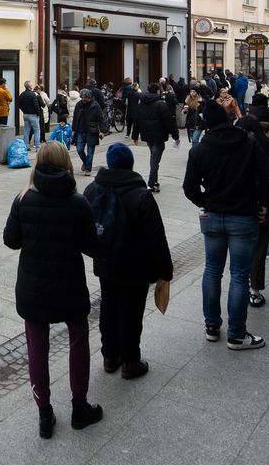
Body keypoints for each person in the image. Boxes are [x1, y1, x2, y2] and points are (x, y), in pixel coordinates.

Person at [3, 142, 103, 439]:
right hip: (69, 285)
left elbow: (11, 240)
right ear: (66, 164)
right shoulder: (78, 202)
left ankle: (44, 414)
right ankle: (79, 407)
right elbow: (92, 247)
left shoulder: (23, 199)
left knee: (37, 348)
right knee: (78, 342)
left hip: (33, 287)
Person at [183, 100, 269, 349]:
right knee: (239, 275)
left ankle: (212, 325)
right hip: (244, 216)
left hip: (213, 216)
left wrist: (205, 202)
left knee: (212, 271)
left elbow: (189, 188)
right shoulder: (248, 142)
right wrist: (262, 203)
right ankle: (237, 333)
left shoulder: (200, 150)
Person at [82, 143, 173, 379]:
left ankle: (110, 357)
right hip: (136, 266)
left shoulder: (93, 189)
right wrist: (165, 270)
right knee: (131, 312)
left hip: (105, 262)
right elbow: (156, 237)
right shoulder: (141, 194)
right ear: (130, 164)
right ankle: (130, 361)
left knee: (108, 308)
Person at [236, 115, 269, 309]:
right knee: (258, 250)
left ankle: (238, 285)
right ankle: (254, 290)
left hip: (237, 206)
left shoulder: (232, 147)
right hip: (262, 207)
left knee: (238, 249)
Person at [130, 82, 180, 193]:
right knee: (154, 160)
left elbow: (136, 120)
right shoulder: (161, 104)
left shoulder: (141, 103)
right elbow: (168, 121)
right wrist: (175, 136)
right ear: (157, 91)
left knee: (154, 156)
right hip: (159, 136)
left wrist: (135, 136)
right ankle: (151, 184)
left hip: (147, 135)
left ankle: (155, 182)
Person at [71, 88, 105, 176]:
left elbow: (101, 119)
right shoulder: (79, 104)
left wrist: (102, 131)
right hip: (80, 131)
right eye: (82, 97)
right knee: (79, 150)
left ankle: (88, 169)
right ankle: (86, 163)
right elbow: (75, 118)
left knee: (90, 152)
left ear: (90, 97)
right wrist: (73, 130)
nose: (83, 99)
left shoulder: (95, 105)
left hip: (92, 131)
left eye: (85, 97)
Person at [19, 80, 42, 151]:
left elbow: (19, 105)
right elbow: (36, 105)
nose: (32, 86)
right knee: (37, 130)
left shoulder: (22, 94)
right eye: (31, 85)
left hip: (25, 115)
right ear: (30, 87)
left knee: (26, 130)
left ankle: (25, 146)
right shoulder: (33, 95)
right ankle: (38, 147)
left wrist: (24, 111)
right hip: (33, 115)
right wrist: (38, 114)